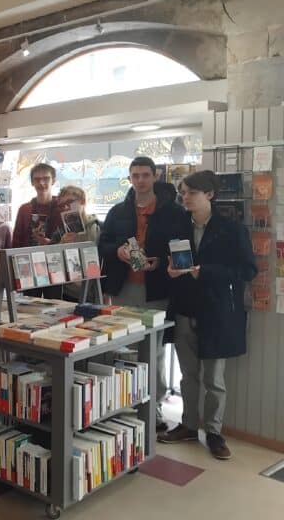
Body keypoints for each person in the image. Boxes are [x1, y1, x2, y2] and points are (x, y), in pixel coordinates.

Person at [158, 171, 256, 460]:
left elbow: (247, 270)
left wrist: (208, 272)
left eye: (192, 192)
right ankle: (189, 425)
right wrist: (170, 272)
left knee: (214, 379)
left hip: (217, 312)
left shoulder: (231, 229)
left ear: (210, 195)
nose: (185, 198)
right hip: (184, 309)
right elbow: (170, 264)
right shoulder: (177, 226)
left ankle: (214, 433)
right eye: (183, 193)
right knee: (188, 375)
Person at [98, 156, 184, 431]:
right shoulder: (118, 211)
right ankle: (126, 404)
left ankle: (153, 407)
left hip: (157, 288)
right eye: (135, 175)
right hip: (123, 288)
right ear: (130, 178)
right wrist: (118, 251)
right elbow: (102, 244)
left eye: (145, 175)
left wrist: (160, 261)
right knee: (124, 348)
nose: (140, 180)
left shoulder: (174, 212)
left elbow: (181, 246)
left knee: (154, 351)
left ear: (156, 176)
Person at [52, 186, 101, 302]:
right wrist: (61, 244)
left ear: (83, 202)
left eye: (70, 202)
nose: (66, 208)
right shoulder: (59, 232)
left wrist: (105, 292)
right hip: (67, 293)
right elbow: (53, 264)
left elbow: (104, 261)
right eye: (62, 205)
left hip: (94, 293)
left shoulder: (99, 228)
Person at [12, 163, 62, 248]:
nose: (41, 183)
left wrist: (52, 244)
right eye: (37, 179)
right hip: (28, 254)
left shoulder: (62, 208)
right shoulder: (24, 209)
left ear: (53, 181)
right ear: (32, 182)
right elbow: (16, 240)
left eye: (46, 178)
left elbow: (71, 239)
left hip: (57, 254)